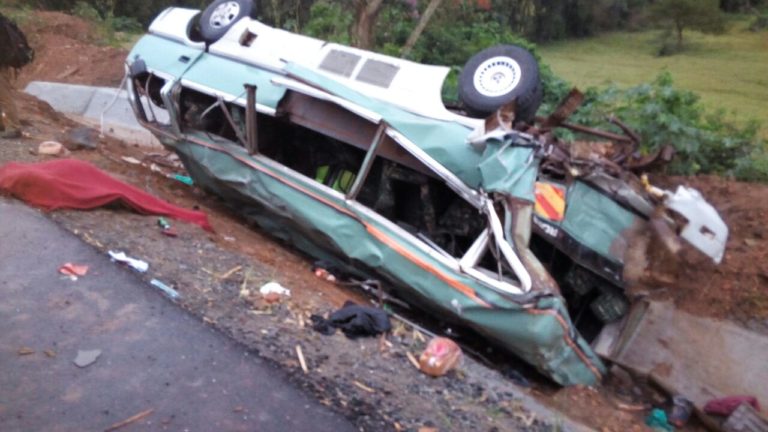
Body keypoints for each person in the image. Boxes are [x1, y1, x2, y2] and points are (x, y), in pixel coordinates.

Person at [0, 12, 34, 138]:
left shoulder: (1, 26)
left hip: (1, 65)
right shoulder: (3, 22)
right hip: (3, 64)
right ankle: (2, 124)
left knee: (4, 97)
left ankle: (14, 127)